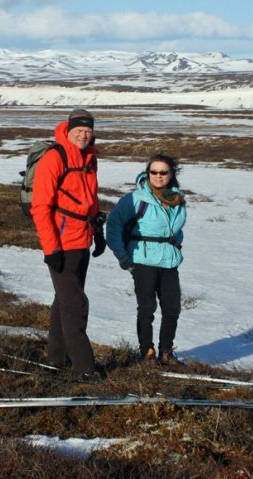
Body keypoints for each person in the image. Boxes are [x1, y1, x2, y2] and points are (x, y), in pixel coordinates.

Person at [30, 108, 107, 382]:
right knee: (75, 304)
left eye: (88, 131)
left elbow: (91, 200)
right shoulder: (55, 157)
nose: (84, 135)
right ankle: (84, 368)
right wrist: (51, 250)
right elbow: (40, 208)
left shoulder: (90, 158)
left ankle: (56, 358)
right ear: (69, 130)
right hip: (62, 244)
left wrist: (98, 233)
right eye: (79, 131)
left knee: (64, 301)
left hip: (82, 240)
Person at [106, 153, 186, 366]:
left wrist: (175, 246)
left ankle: (166, 352)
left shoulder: (177, 200)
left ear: (171, 175)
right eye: (154, 172)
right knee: (146, 308)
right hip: (142, 260)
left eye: (163, 172)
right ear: (147, 173)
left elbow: (176, 230)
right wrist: (123, 256)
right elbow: (113, 226)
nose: (158, 176)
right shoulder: (134, 199)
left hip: (169, 262)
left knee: (172, 308)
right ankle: (147, 353)